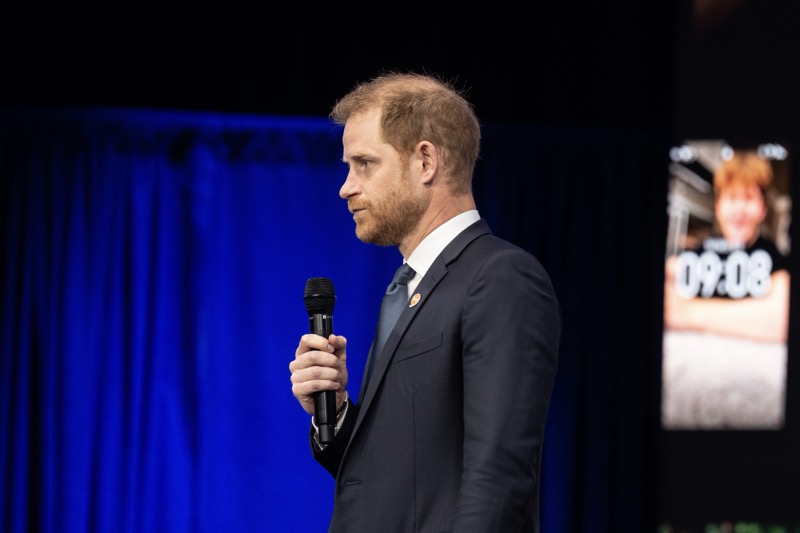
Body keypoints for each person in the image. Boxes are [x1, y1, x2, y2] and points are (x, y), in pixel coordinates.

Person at [288, 72, 561, 532]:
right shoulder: (409, 287)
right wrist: (334, 412)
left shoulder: (500, 278)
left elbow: (497, 480)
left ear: (425, 161)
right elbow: (395, 485)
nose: (346, 187)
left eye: (364, 164)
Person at [663, 150, 790, 343]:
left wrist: (682, 312)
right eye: (731, 197)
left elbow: (781, 317)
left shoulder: (775, 258)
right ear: (718, 207)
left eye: (748, 197)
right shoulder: (698, 252)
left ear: (763, 209)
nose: (739, 209)